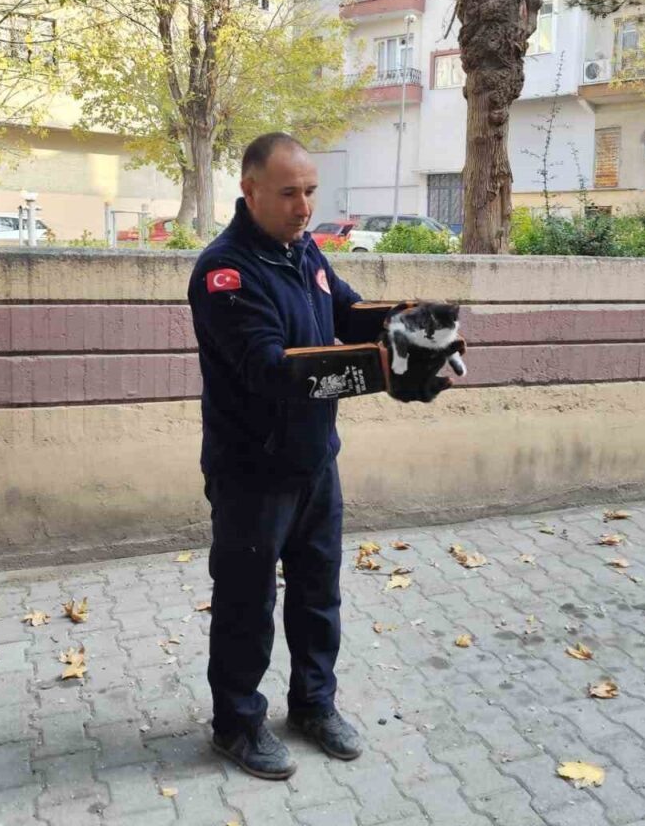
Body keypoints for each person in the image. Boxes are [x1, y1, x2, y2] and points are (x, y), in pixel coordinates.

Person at [187, 132, 463, 780]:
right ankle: (236, 723)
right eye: (289, 193)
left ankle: (313, 705)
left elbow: (342, 308)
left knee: (317, 598)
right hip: (251, 474)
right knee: (245, 609)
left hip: (315, 465)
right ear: (249, 190)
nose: (304, 206)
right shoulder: (224, 273)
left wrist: (410, 327)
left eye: (311, 191)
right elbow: (271, 369)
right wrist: (384, 370)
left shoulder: (301, 249)